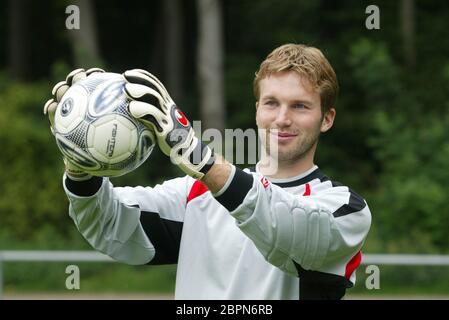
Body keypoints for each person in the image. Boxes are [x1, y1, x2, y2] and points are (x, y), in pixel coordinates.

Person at [44, 43, 371, 300]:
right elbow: (108, 225)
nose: (282, 118)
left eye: (300, 106)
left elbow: (288, 230)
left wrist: (199, 157)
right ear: (257, 109)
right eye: (272, 103)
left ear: (326, 118)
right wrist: (80, 165)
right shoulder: (196, 194)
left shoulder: (345, 209)